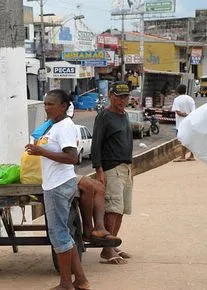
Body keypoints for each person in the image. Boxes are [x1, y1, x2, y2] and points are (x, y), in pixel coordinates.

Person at [25, 89, 89, 290]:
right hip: (55, 183)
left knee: (59, 234)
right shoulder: (53, 126)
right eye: (45, 104)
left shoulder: (64, 127)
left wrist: (40, 151)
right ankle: (80, 280)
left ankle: (65, 283)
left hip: (58, 185)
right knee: (64, 235)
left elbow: (71, 157)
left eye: (51, 104)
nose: (47, 108)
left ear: (63, 106)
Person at [91, 81, 133, 265]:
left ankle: (113, 243)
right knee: (113, 209)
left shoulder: (124, 116)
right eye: (119, 97)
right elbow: (96, 144)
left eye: (125, 97)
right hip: (111, 168)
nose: (122, 100)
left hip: (126, 167)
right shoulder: (104, 116)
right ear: (111, 96)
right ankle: (106, 250)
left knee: (122, 209)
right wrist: (99, 169)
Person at [172, 84, 196, 162]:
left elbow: (178, 112)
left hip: (181, 124)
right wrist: (189, 116)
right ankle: (192, 155)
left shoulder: (177, 100)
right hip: (190, 122)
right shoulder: (190, 99)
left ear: (178, 91)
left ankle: (182, 156)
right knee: (191, 139)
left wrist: (185, 115)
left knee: (183, 139)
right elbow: (193, 111)